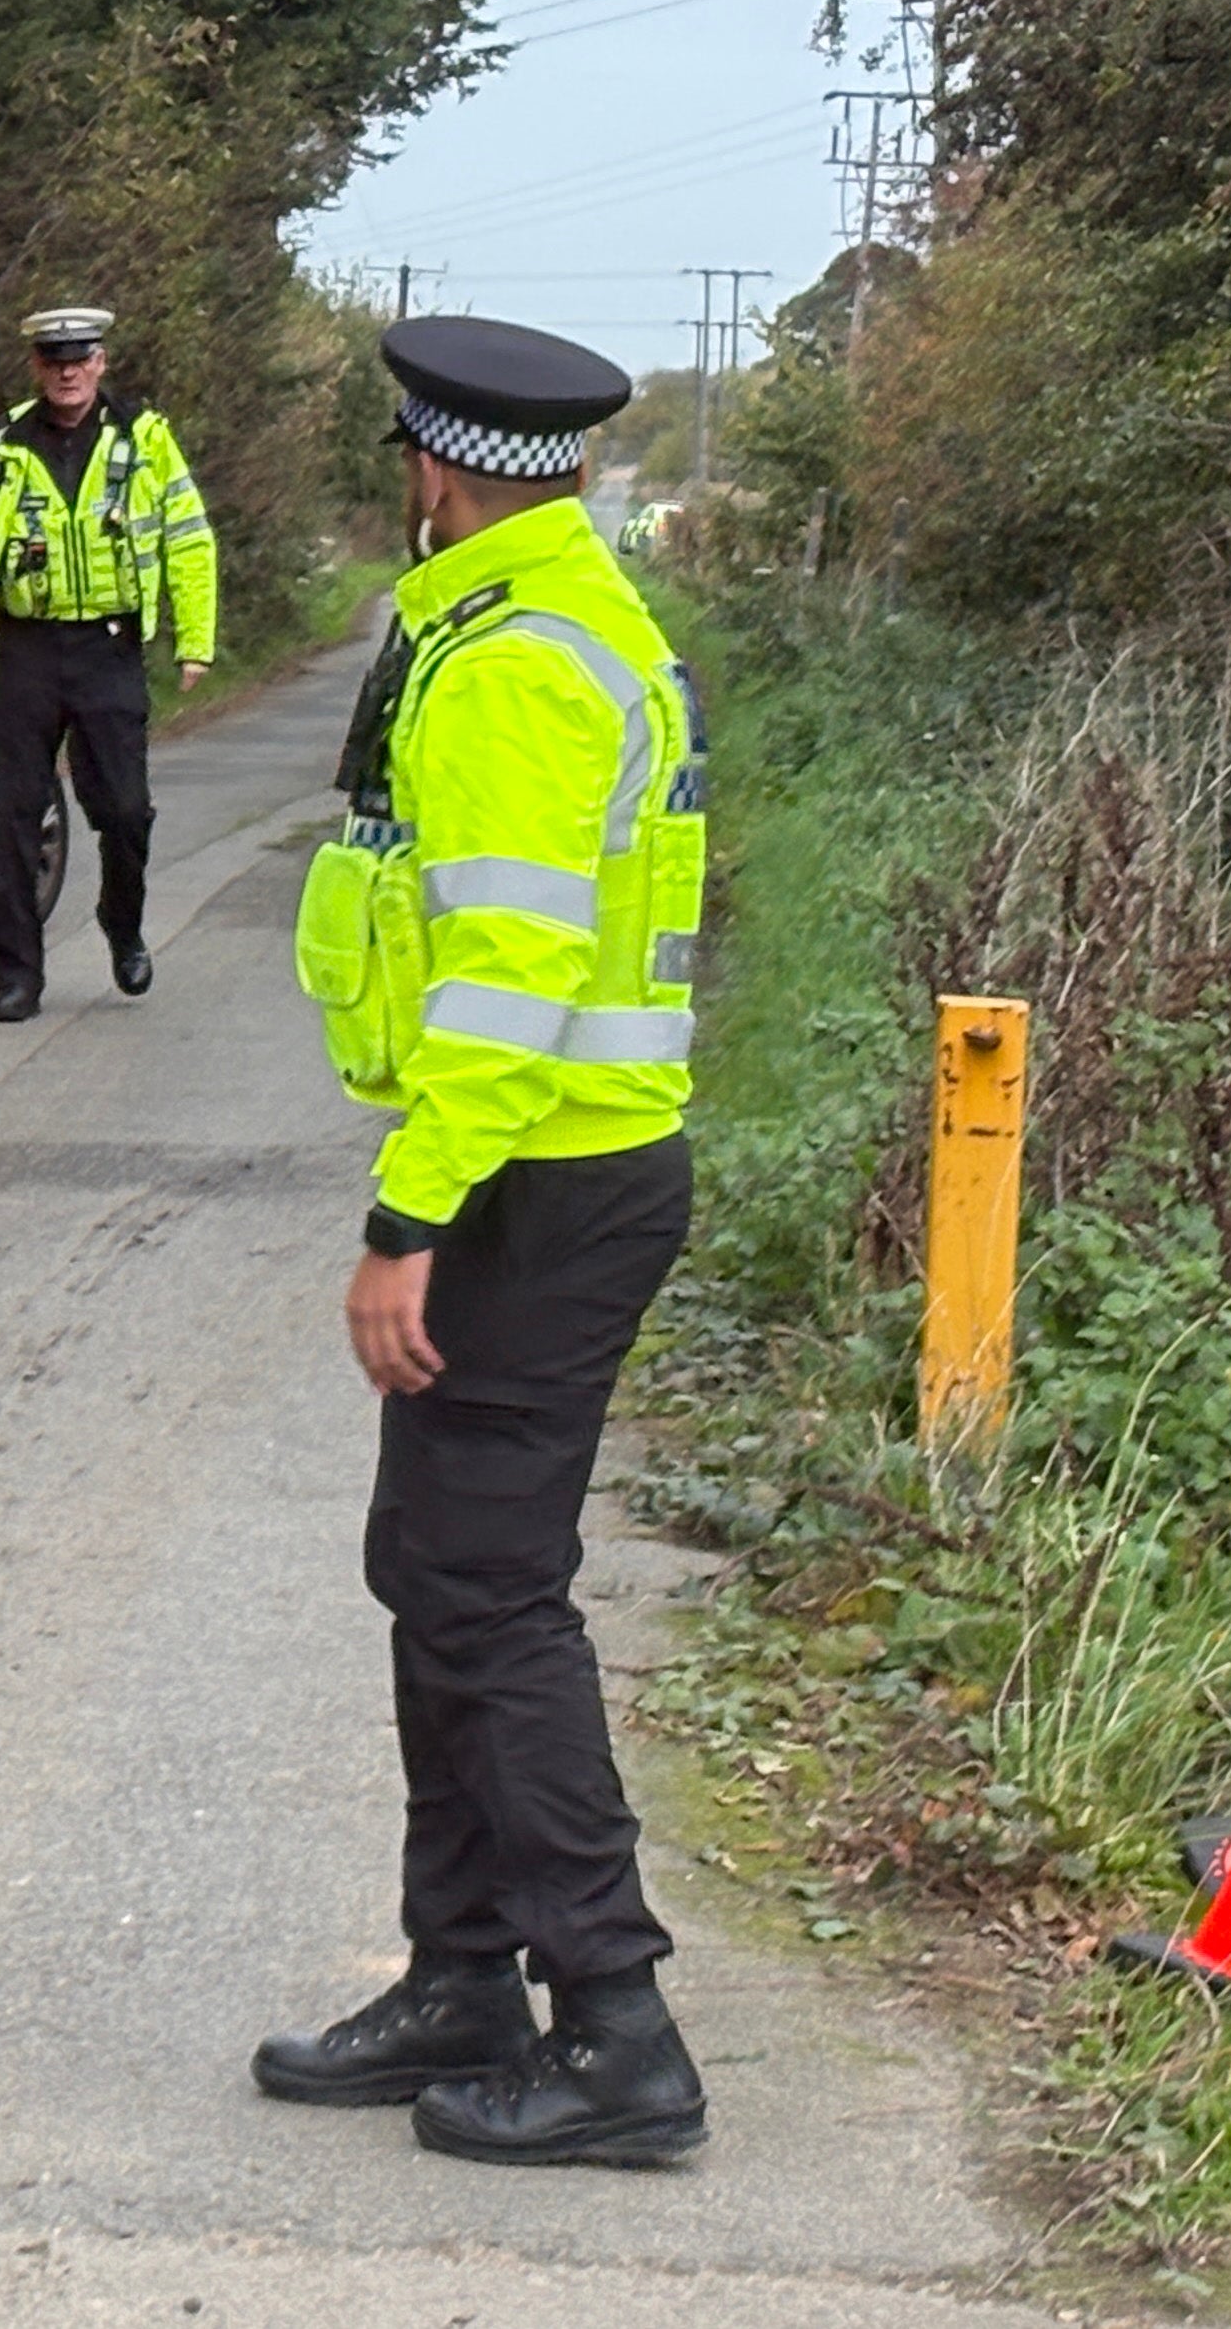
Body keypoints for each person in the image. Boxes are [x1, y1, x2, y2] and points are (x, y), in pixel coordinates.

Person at [254, 316, 712, 2168]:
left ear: (433, 469)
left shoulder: (518, 662)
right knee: (433, 1565)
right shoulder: (548, 620)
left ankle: (614, 2026)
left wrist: (406, 1216)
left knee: (487, 1595)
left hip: (538, 1179)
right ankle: (461, 1977)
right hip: (557, 1168)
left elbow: (512, 978)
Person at [0, 307, 219, 1023]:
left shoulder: (144, 439)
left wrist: (195, 641)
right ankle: (18, 977)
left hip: (109, 647)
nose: (66, 370)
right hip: (26, 648)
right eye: (53, 358)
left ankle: (123, 924)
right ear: (36, 365)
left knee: (124, 811)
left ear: (101, 362)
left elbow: (189, 539)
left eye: (79, 357)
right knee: (15, 818)